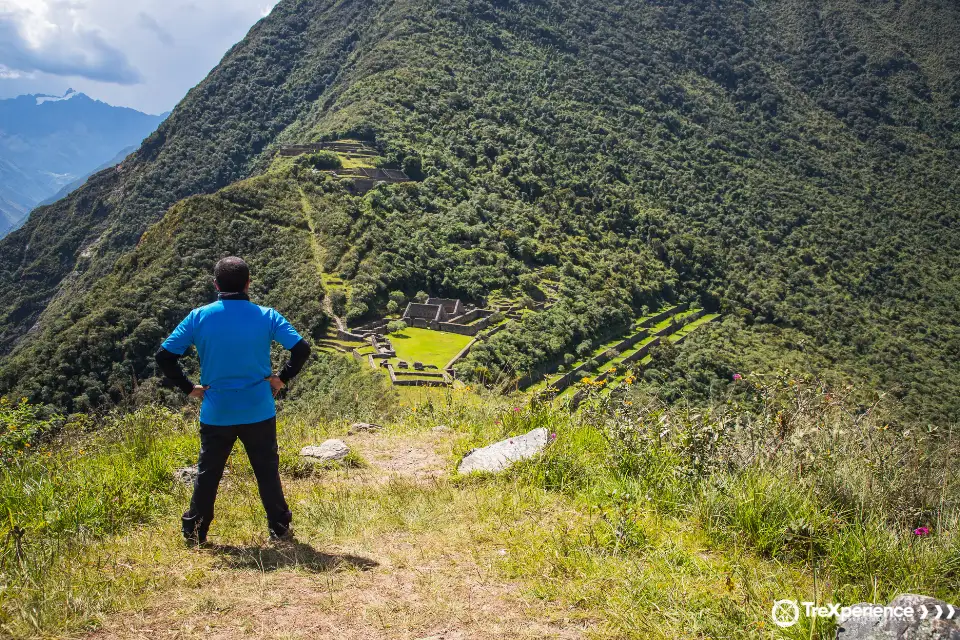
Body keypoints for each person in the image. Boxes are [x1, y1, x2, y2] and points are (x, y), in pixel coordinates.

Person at [155, 256, 311, 545]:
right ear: (248, 284)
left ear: (216, 284)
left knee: (208, 473)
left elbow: (165, 357)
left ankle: (195, 532)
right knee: (266, 471)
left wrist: (190, 388)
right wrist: (281, 378)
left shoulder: (198, 317)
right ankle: (279, 529)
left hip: (216, 411)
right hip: (259, 409)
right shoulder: (267, 316)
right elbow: (302, 349)